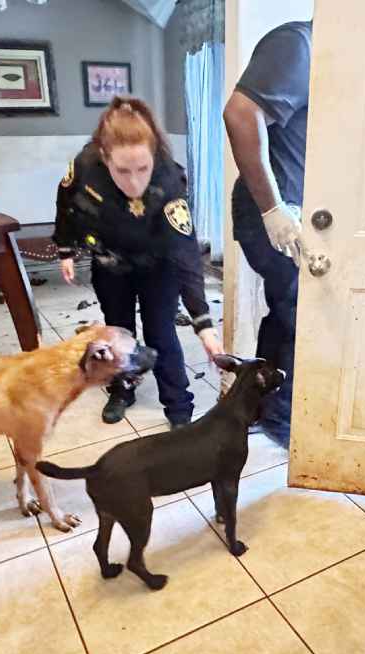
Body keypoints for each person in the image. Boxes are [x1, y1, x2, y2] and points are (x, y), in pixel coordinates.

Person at [53, 96, 224, 428]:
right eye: (122, 171)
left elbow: (185, 253)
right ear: (104, 157)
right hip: (110, 263)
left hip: (158, 265)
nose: (134, 183)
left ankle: (179, 407)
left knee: (161, 334)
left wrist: (203, 323)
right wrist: (65, 247)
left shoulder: (169, 180)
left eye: (142, 169)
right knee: (119, 332)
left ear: (154, 156)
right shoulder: (85, 166)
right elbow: (65, 201)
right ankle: (122, 390)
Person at [223, 20, 312, 446]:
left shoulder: (330, 55)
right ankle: (281, 418)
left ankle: (257, 406)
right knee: (300, 313)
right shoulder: (299, 44)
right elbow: (240, 114)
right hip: (272, 213)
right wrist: (274, 210)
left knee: (286, 310)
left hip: (296, 212)